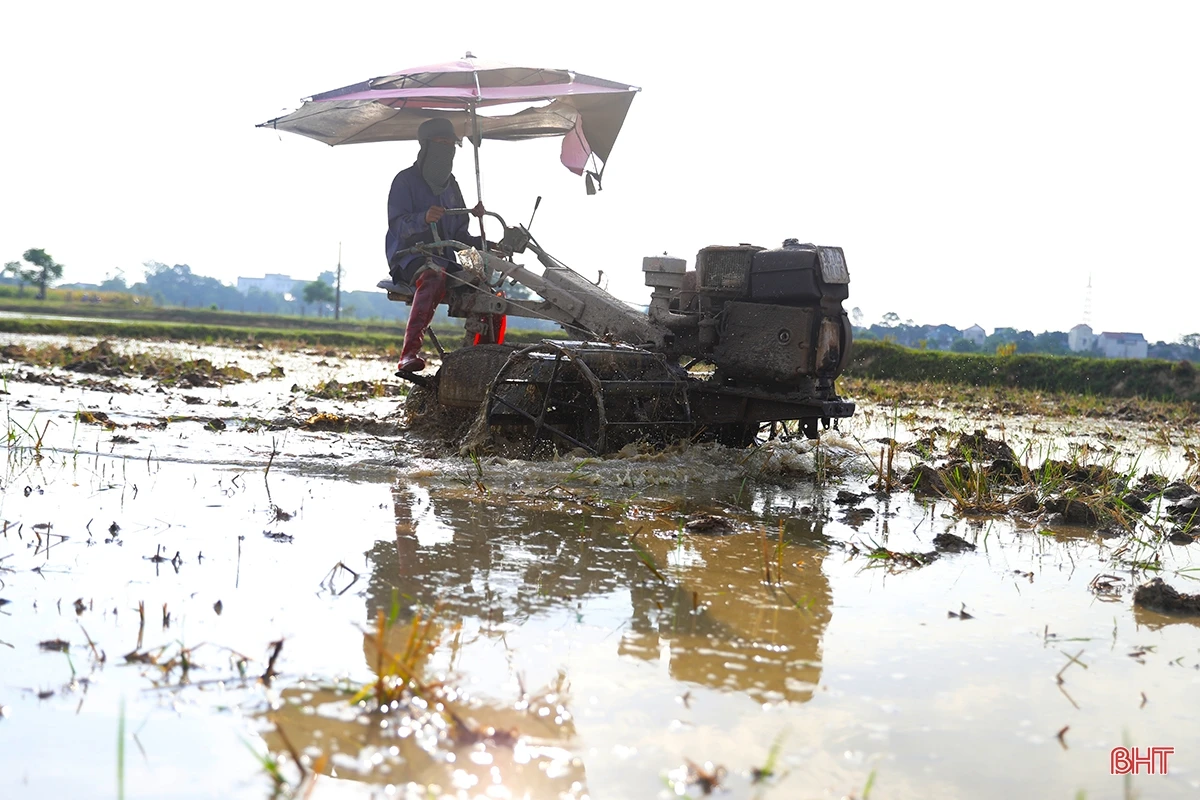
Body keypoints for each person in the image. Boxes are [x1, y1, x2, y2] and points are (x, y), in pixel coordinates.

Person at [385, 117, 484, 374]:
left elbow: (461, 232)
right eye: (441, 143)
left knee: (488, 289)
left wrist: (484, 243)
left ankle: (482, 355)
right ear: (426, 146)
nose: (447, 148)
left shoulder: (452, 186)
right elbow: (397, 225)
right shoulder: (405, 181)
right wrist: (422, 218)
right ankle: (409, 354)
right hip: (411, 256)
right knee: (432, 276)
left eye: (451, 144)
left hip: (447, 255)